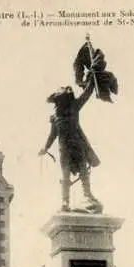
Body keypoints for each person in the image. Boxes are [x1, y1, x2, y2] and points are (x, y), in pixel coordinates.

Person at [38, 72, 102, 213]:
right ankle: (65, 201)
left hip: (77, 145)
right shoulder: (55, 117)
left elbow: (86, 94)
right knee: (65, 174)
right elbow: (52, 135)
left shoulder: (74, 107)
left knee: (84, 170)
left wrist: (92, 78)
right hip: (64, 148)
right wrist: (45, 147)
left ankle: (87, 195)